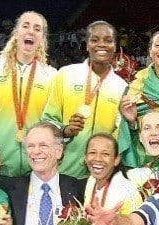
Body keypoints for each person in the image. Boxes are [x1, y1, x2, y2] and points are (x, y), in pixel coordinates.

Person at [42, 20, 130, 179]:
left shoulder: (121, 87)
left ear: (115, 46)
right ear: (87, 44)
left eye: (108, 40)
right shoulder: (66, 75)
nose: (101, 44)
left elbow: (119, 135)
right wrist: (66, 130)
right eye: (95, 40)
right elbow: (47, 120)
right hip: (64, 171)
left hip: (101, 175)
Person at [0, 11, 58, 177]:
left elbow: (56, 120)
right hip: (2, 162)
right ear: (16, 33)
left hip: (38, 165)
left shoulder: (51, 76)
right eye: (25, 26)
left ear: (42, 39)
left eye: (37, 29)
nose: (30, 31)